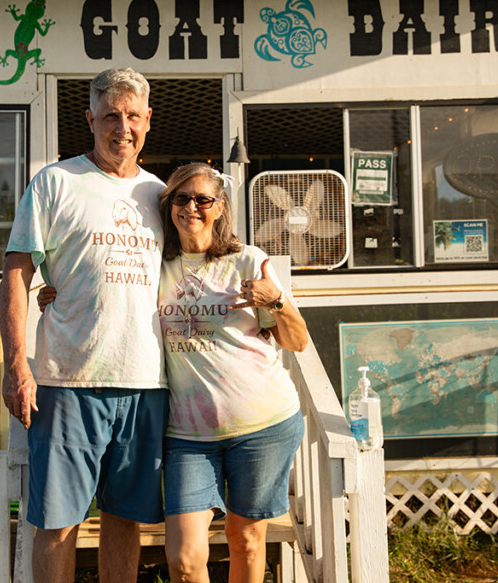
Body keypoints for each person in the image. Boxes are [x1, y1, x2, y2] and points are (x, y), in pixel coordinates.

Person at [39, 162, 309, 582]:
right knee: (183, 559)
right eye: (181, 198)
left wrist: (277, 302)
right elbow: (108, 283)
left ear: (219, 207)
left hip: (262, 423)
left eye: (203, 199)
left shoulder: (247, 262)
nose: (192, 208)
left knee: (245, 540)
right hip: (188, 436)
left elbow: (297, 341)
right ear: (168, 207)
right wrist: (58, 294)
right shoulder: (154, 266)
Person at [0, 68, 167, 582]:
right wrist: (15, 366)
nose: (123, 127)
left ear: (148, 121)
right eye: (111, 115)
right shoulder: (55, 182)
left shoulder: (162, 196)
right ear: (90, 118)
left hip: (145, 383)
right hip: (67, 381)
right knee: (58, 522)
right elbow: (16, 273)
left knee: (125, 519)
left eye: (133, 115)